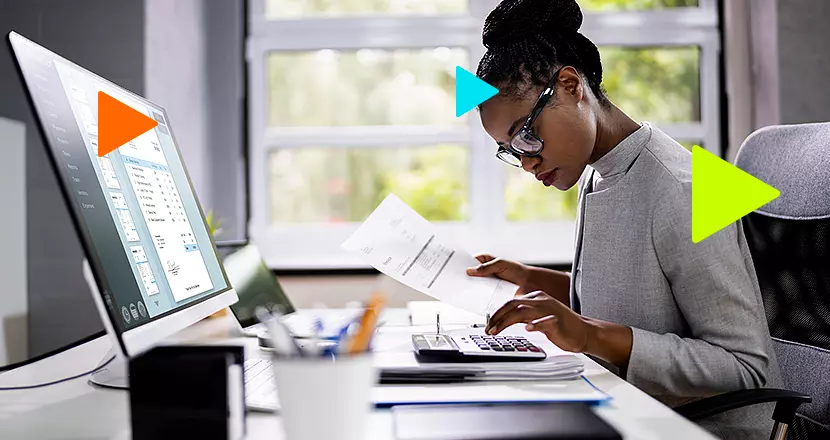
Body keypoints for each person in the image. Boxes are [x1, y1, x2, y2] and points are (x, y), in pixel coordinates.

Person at [465, 1, 781, 438]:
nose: (526, 162)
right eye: (511, 149)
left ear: (571, 85)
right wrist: (529, 279)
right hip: (627, 406)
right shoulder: (600, 171)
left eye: (526, 133)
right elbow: (631, 304)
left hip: (696, 428)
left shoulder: (683, 188)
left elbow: (745, 368)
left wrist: (589, 337)